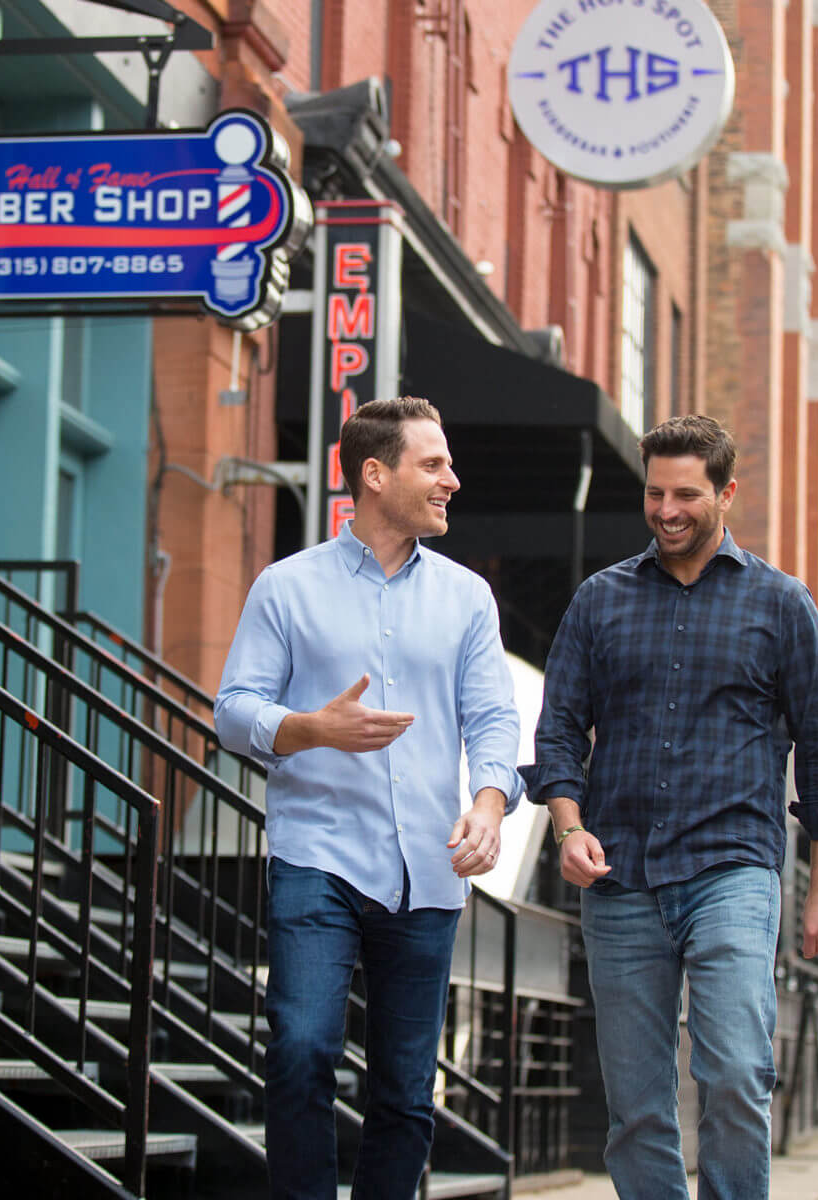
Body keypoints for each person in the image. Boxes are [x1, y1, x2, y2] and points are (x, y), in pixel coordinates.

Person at [521, 414, 818, 1200]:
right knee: (638, 1109)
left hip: (732, 869)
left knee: (737, 1071)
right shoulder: (600, 602)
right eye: (654, 493)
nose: (667, 510)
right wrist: (567, 829)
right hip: (620, 877)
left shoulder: (782, 605)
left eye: (686, 495)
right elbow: (561, 730)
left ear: (726, 492)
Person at [215, 396, 523, 1200]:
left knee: (405, 1090)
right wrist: (313, 728)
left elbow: (494, 717)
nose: (451, 480)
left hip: (429, 866)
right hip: (317, 857)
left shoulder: (467, 599)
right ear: (375, 475)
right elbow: (234, 710)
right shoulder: (287, 587)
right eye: (434, 464)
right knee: (301, 1049)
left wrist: (489, 804)